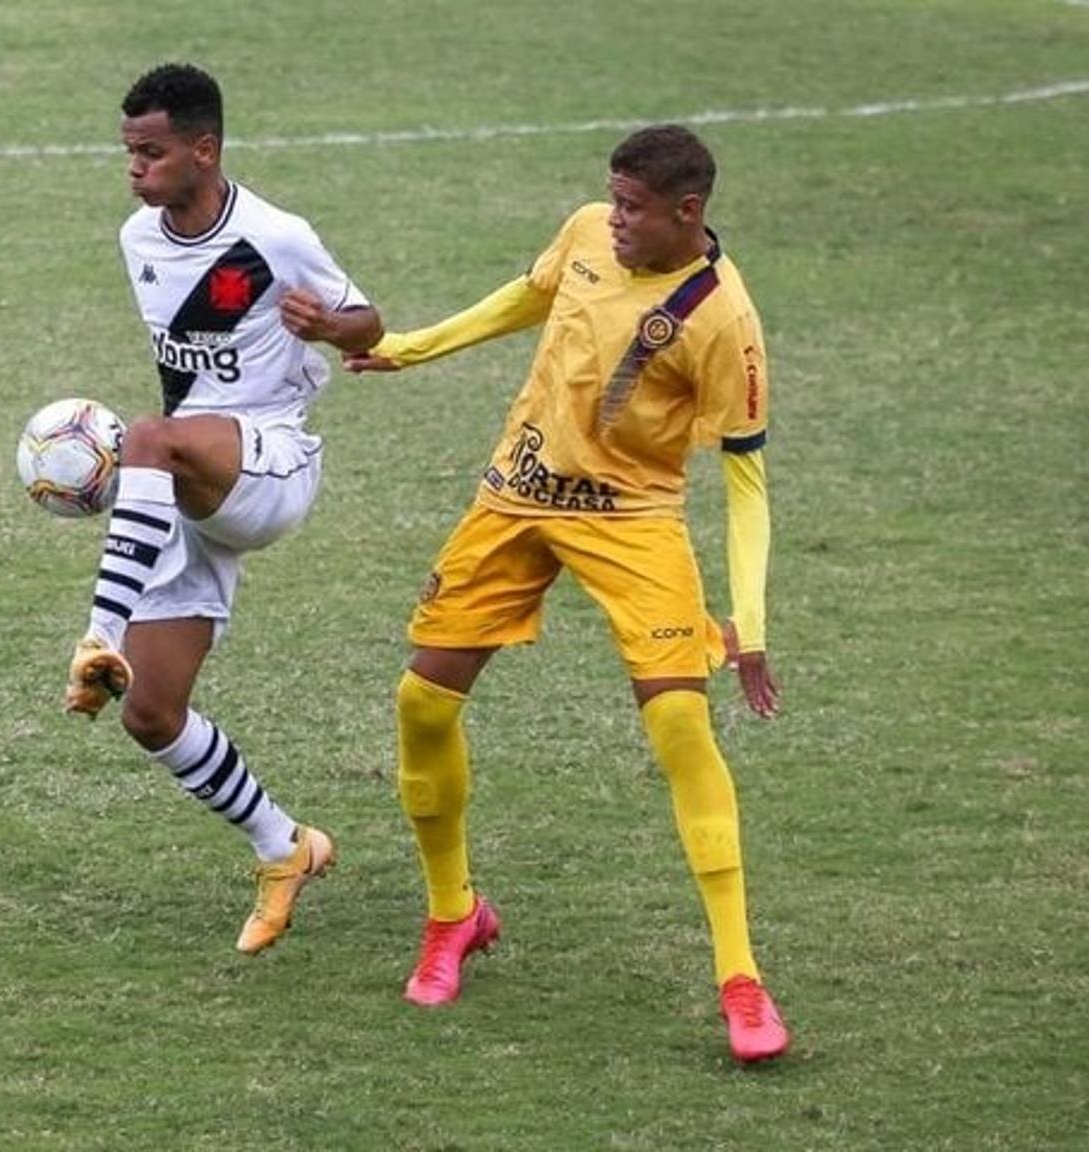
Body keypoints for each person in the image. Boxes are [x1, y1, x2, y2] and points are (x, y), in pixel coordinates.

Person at [344, 124, 790, 1063]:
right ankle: (451, 915)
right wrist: (413, 347)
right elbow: (533, 295)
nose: (614, 219)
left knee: (681, 727)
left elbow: (746, 482)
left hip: (633, 521)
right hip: (517, 494)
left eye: (633, 207)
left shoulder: (723, 320)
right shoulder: (589, 230)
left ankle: (741, 980)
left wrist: (747, 622)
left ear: (688, 212)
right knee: (422, 701)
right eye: (613, 200)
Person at [63, 62, 383, 955]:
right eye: (129, 152)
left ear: (204, 150)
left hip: (272, 460)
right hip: (199, 480)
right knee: (151, 714)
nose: (135, 168)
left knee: (150, 436)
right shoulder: (139, 239)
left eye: (152, 152)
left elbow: (372, 325)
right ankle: (285, 847)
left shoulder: (277, 238)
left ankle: (98, 633)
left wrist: (332, 330)